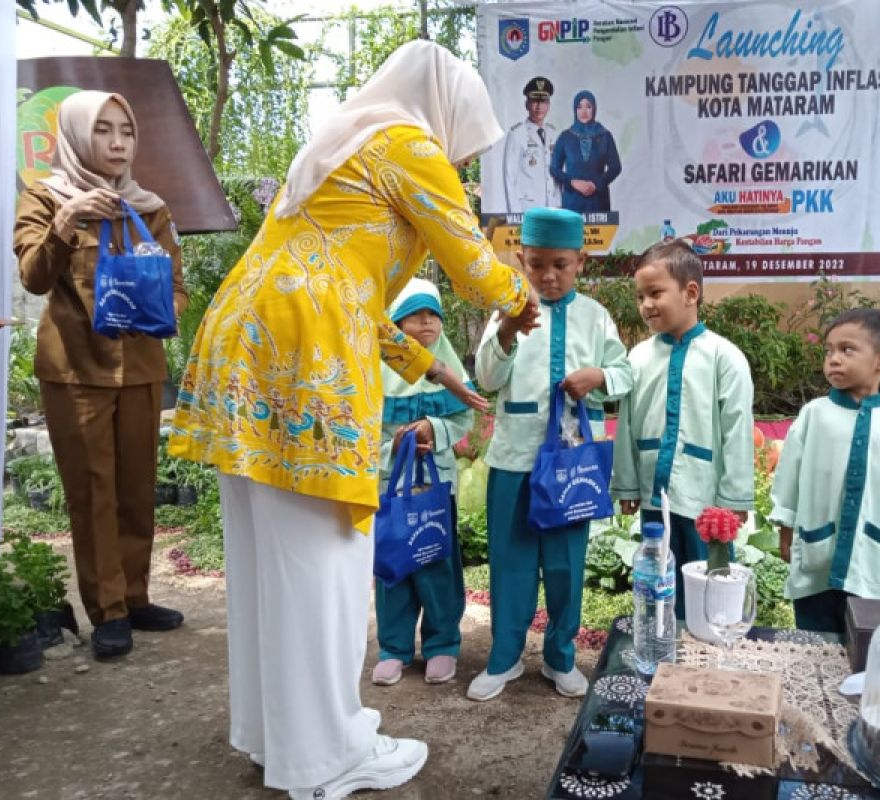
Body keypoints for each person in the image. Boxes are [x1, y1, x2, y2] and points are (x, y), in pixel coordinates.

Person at [167, 41, 539, 799]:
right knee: (324, 561)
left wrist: (431, 367)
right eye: (460, 146)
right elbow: (469, 260)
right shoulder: (405, 142)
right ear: (443, 110)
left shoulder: (336, 151)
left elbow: (346, 288)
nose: (457, 163)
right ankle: (326, 755)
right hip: (305, 352)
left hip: (251, 337)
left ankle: (281, 739)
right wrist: (519, 299)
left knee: (268, 553)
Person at [14, 90, 188, 660]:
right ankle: (107, 610)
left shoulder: (150, 208)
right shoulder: (45, 199)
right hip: (75, 371)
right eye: (103, 131)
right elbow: (35, 279)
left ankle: (136, 597)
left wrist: (157, 302)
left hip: (139, 368)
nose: (117, 143)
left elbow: (178, 290)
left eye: (126, 132)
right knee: (92, 491)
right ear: (77, 137)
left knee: (137, 489)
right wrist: (66, 222)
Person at [467, 207, 632, 702]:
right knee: (511, 563)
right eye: (537, 264)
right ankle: (505, 658)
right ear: (521, 259)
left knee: (565, 565)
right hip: (514, 461)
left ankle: (561, 657)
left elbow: (624, 374)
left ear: (581, 261)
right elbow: (486, 380)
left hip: (572, 467)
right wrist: (507, 334)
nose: (549, 275)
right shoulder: (507, 310)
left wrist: (598, 377)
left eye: (560, 264)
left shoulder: (596, 317)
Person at [610, 240, 755, 620]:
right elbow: (625, 425)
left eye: (655, 293)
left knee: (711, 583)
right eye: (640, 296)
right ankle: (662, 651)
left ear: (691, 293)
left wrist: (734, 496)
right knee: (658, 583)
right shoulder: (638, 358)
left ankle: (710, 653)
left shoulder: (725, 357)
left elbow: (738, 430)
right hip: (653, 499)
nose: (645, 305)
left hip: (706, 500)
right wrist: (626, 485)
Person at [770, 309, 880, 635]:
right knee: (815, 637)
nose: (833, 359)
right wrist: (785, 525)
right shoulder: (815, 414)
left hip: (872, 555)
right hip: (817, 548)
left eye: (846, 350)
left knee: (866, 640)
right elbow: (790, 473)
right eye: (828, 351)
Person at [371, 278, 470, 689]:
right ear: (395, 324)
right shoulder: (374, 373)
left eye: (434, 315)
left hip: (435, 486)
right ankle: (393, 648)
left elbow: (466, 419)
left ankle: (442, 643)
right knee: (393, 566)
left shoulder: (451, 368)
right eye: (416, 315)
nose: (428, 323)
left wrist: (435, 428)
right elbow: (360, 428)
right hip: (390, 487)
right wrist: (391, 446)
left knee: (437, 562)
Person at [550, 90, 621, 213]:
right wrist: (572, 182)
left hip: (598, 202)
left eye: (588, 107)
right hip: (572, 202)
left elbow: (615, 167)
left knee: (599, 232)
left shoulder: (605, 136)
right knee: (573, 232)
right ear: (575, 110)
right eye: (579, 107)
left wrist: (596, 184)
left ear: (594, 109)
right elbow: (554, 169)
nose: (583, 111)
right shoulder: (565, 137)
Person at [502, 76, 561, 213]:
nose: (539, 106)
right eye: (535, 101)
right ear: (527, 104)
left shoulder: (554, 134)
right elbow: (509, 177)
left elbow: (558, 175)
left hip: (552, 207)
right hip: (527, 209)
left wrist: (559, 203)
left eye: (544, 101)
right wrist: (515, 214)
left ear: (549, 105)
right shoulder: (517, 134)